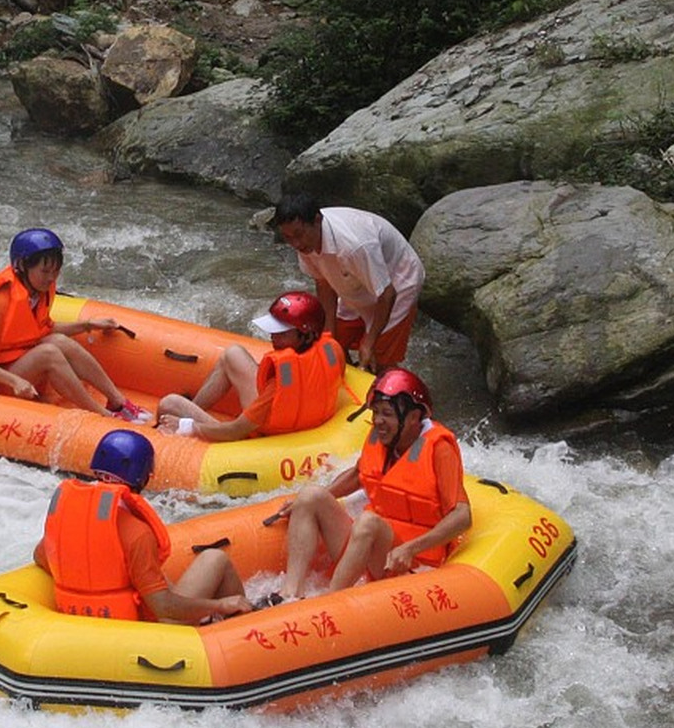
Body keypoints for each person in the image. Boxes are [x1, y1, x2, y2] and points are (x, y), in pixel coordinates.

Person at [278, 368, 471, 597]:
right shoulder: (382, 438)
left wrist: (411, 548)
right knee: (311, 495)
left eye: (387, 414)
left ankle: (327, 602)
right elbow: (358, 474)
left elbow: (462, 516)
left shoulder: (439, 449)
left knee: (368, 522)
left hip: (409, 562)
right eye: (376, 412)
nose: (378, 421)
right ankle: (288, 595)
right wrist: (303, 503)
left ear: (413, 417)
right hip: (371, 548)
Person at [35, 431, 252, 624]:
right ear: (142, 477)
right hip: (145, 629)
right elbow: (164, 608)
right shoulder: (136, 532)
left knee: (156, 576)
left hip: (82, 616)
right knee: (215, 558)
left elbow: (41, 557)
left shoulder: (70, 516)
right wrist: (221, 605)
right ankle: (244, 621)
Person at [0, 228, 150, 424]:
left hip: (14, 360)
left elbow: (42, 329)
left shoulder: (36, 292)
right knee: (48, 352)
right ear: (22, 266)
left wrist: (88, 325)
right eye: (45, 271)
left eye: (55, 271)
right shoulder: (0, 303)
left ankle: (118, 401)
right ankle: (102, 415)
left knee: (59, 342)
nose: (51, 278)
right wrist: (14, 381)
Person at [270, 191, 425, 377]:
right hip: (354, 279)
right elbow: (324, 283)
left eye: (299, 235)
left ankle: (387, 388)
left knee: (379, 358)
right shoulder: (304, 241)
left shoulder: (354, 246)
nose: (295, 243)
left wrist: (369, 342)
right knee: (334, 345)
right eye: (288, 237)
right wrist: (328, 334)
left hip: (397, 281)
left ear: (317, 220)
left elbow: (387, 294)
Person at [155, 290, 343, 442]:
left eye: (281, 333)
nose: (272, 337)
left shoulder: (276, 386)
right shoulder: (333, 350)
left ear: (306, 335)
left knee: (169, 404)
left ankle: (189, 413)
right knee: (233, 353)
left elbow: (235, 431)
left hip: (261, 438)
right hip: (304, 423)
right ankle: (194, 408)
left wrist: (187, 426)